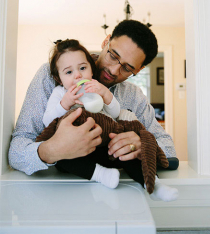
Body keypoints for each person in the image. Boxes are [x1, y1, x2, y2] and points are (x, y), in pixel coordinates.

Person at [10, 20, 177, 184]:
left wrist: (143, 145)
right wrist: (52, 150)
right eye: (113, 56)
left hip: (115, 193)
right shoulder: (51, 74)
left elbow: (169, 148)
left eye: (127, 68)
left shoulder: (134, 96)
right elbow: (16, 151)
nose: (113, 70)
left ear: (139, 70)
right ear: (106, 41)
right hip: (55, 192)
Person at [36, 38, 177, 201]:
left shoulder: (95, 87)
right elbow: (48, 121)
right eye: (69, 72)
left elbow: (115, 113)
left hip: (105, 144)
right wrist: (65, 104)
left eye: (82, 68)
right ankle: (101, 175)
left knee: (129, 155)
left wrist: (106, 95)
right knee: (62, 160)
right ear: (59, 79)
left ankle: (154, 184)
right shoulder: (60, 93)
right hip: (75, 150)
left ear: (91, 67)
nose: (78, 75)